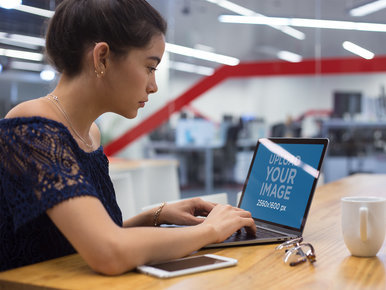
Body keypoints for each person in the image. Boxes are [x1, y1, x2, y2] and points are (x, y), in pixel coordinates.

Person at [0, 0, 256, 275]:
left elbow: (79, 242)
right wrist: (210, 230)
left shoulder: (90, 133)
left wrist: (154, 216)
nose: (154, 85)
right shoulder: (33, 127)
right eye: (149, 67)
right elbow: (108, 252)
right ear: (102, 58)